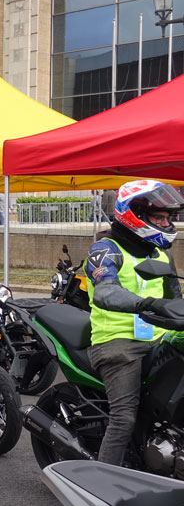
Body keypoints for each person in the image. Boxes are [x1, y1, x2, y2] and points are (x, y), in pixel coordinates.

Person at [84, 180, 184, 466]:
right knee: (124, 417)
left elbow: (175, 297)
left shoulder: (161, 253)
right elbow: (106, 291)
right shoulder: (105, 249)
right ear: (134, 213)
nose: (165, 223)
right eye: (158, 217)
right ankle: (103, 489)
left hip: (160, 337)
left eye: (168, 218)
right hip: (118, 340)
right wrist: (147, 304)